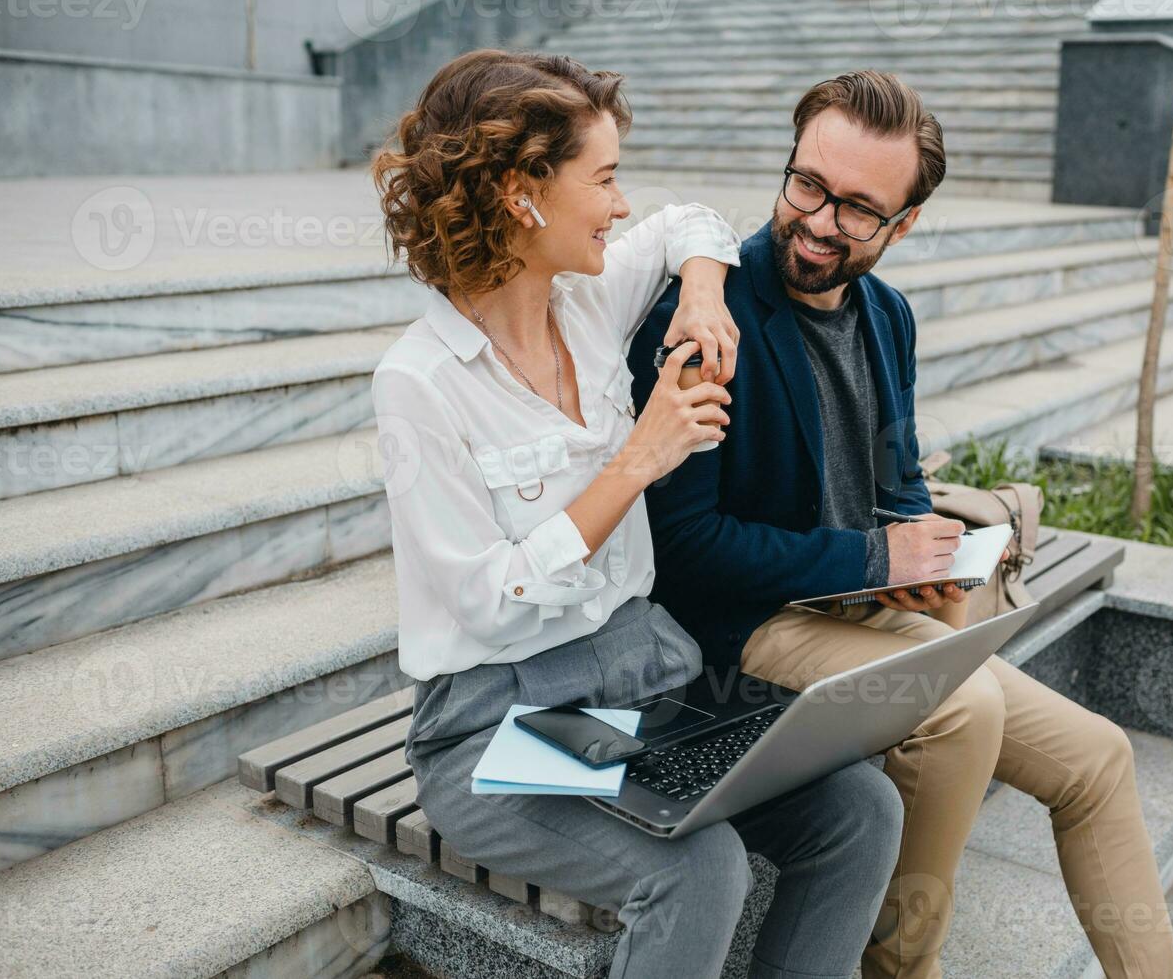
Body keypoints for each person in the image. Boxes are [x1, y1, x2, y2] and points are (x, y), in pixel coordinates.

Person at [629, 70, 1173, 979]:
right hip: (747, 631)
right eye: (807, 184)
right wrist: (870, 554)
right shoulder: (707, 314)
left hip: (864, 612)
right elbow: (684, 549)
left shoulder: (887, 317)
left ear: (905, 224)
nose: (817, 222)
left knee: (1098, 756)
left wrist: (933, 564)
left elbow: (897, 490)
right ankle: (901, 966)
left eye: (856, 209)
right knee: (957, 707)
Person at [368, 50, 904, 979]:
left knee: (863, 811)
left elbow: (690, 223)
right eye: (604, 179)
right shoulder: (417, 384)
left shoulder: (587, 302)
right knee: (699, 869)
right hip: (494, 731)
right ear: (522, 193)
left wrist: (703, 291)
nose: (620, 205)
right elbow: (490, 604)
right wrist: (638, 458)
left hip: (636, 692)